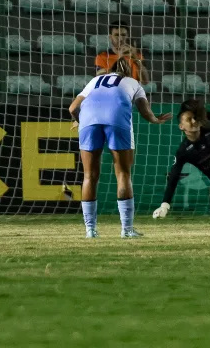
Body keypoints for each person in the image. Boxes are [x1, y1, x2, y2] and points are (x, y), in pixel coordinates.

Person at [68, 59, 171, 238]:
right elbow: (145, 111)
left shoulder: (94, 81)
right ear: (129, 72)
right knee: (123, 174)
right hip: (116, 118)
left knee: (89, 176)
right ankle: (127, 230)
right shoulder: (133, 82)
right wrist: (156, 119)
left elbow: (72, 108)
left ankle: (90, 230)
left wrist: (79, 119)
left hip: (88, 119)